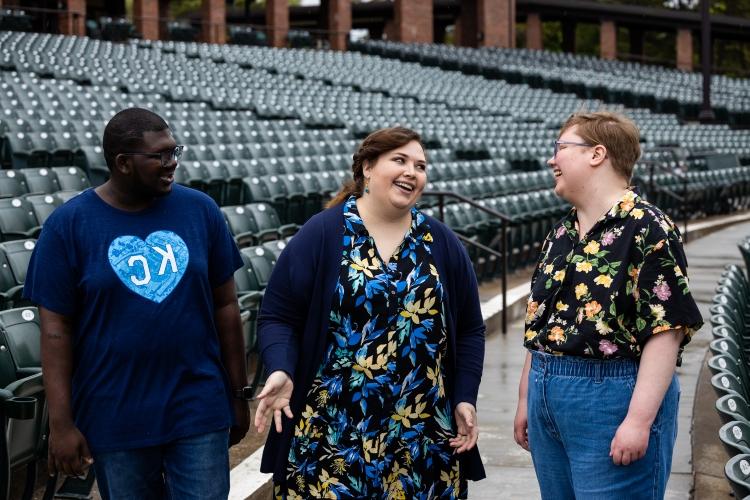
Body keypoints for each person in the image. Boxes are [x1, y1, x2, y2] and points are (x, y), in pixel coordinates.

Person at [24, 108, 250, 500]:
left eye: (174, 150)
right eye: (159, 155)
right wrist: (61, 424)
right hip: (115, 413)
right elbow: (56, 330)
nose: (172, 163)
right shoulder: (68, 226)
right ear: (123, 163)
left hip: (197, 405)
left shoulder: (200, 210)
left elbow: (226, 307)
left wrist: (237, 393)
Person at [254, 126, 486, 499]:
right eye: (400, 160)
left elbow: (471, 329)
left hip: (422, 434)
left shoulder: (441, 242)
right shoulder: (323, 233)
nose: (413, 171)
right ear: (366, 168)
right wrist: (281, 366)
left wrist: (464, 396)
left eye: (421, 165)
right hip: (331, 435)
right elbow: (277, 315)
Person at [513, 111, 703, 499]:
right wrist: (525, 400)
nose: (553, 159)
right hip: (548, 392)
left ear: (596, 154)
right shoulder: (562, 231)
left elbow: (667, 330)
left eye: (561, 148)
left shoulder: (648, 227)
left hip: (612, 396)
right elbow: (541, 324)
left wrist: (638, 420)